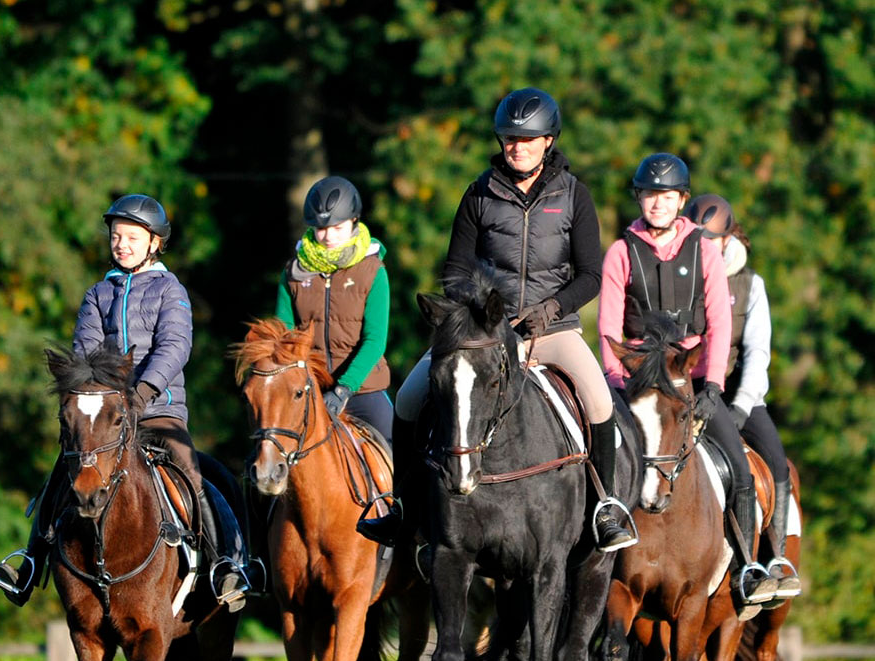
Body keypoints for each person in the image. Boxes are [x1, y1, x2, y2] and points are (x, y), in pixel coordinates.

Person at [359, 87, 636, 552]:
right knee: (409, 398)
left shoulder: (575, 196)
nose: (517, 147)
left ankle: (604, 508)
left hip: (553, 330)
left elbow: (590, 275)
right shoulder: (478, 194)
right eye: (509, 138)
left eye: (527, 140)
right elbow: (455, 272)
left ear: (548, 141)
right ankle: (402, 506)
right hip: (486, 332)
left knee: (599, 401)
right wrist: (486, 313)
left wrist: (551, 309)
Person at [0, 194, 255, 611]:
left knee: (191, 470)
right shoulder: (98, 293)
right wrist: (103, 398)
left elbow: (175, 346)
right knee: (64, 471)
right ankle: (30, 562)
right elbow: (85, 354)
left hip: (159, 409)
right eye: (117, 236)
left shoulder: (171, 290)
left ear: (154, 243)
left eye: (132, 236)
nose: (122, 244)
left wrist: (142, 393)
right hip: (106, 417)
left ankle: (225, 565)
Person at [598, 155, 779, 615]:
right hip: (638, 384)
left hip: (692, 381)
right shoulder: (621, 252)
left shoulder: (702, 248)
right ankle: (587, 563)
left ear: (680, 200)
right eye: (649, 194)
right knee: (596, 462)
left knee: (739, 469)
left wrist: (714, 384)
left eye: (667, 195)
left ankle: (746, 569)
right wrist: (623, 384)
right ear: (638, 198)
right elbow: (608, 330)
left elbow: (719, 322)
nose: (657, 203)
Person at [683, 194, 801, 599]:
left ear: (727, 240)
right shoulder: (678, 279)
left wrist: (739, 406)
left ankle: (774, 559)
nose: (704, 251)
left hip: (737, 393)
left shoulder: (750, 285)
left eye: (711, 242)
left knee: (777, 464)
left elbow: (758, 353)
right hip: (686, 389)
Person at [275, 175, 394, 443]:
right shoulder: (293, 273)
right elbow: (284, 336)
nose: (328, 236)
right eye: (320, 228)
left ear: (354, 221)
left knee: (401, 454)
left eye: (337, 228)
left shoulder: (373, 271)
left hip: (363, 389)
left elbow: (375, 341)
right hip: (307, 389)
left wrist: (343, 389)